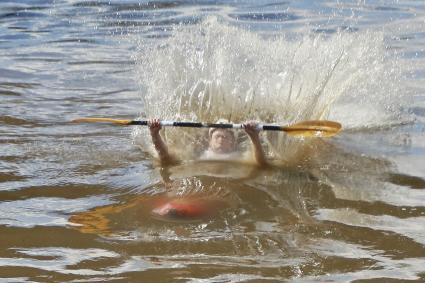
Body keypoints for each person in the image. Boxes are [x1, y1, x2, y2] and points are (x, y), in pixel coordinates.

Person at [148, 118, 267, 166]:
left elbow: (261, 164)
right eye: (218, 136)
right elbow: (165, 157)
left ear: (233, 143)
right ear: (209, 142)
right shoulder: (199, 154)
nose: (221, 139)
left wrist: (254, 138)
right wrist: (155, 134)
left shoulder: (239, 156)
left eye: (225, 137)